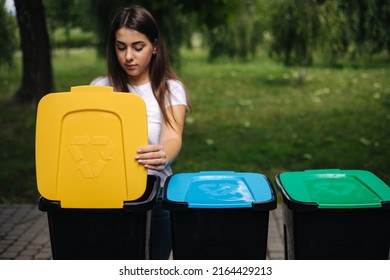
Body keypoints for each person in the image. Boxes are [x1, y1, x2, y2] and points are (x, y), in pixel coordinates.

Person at [91, 5, 190, 260]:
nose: (128, 57)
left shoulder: (170, 88)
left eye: (138, 46)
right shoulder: (101, 87)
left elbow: (172, 136)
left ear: (154, 46)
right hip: (110, 194)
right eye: (121, 47)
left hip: (157, 193)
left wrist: (162, 153)